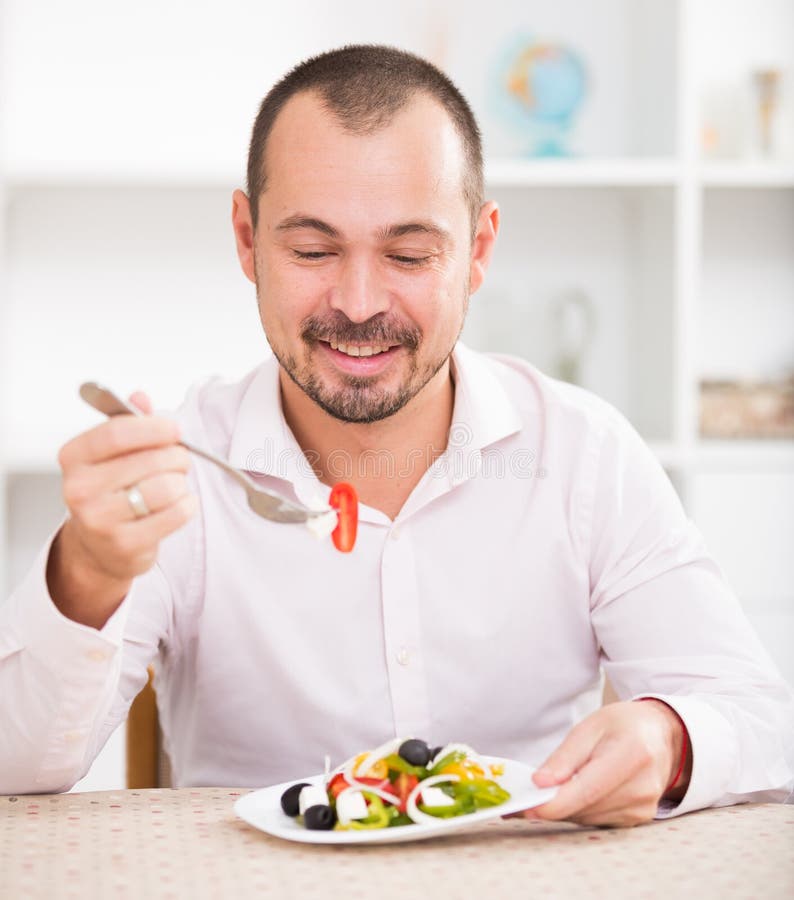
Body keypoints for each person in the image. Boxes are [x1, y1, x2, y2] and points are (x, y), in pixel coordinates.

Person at [1, 45, 792, 826]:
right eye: (313, 250)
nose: (355, 301)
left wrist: (673, 738)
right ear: (247, 239)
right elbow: (17, 767)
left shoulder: (585, 456)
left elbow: (761, 725)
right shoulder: (185, 470)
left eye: (409, 254)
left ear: (478, 249)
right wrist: (87, 570)